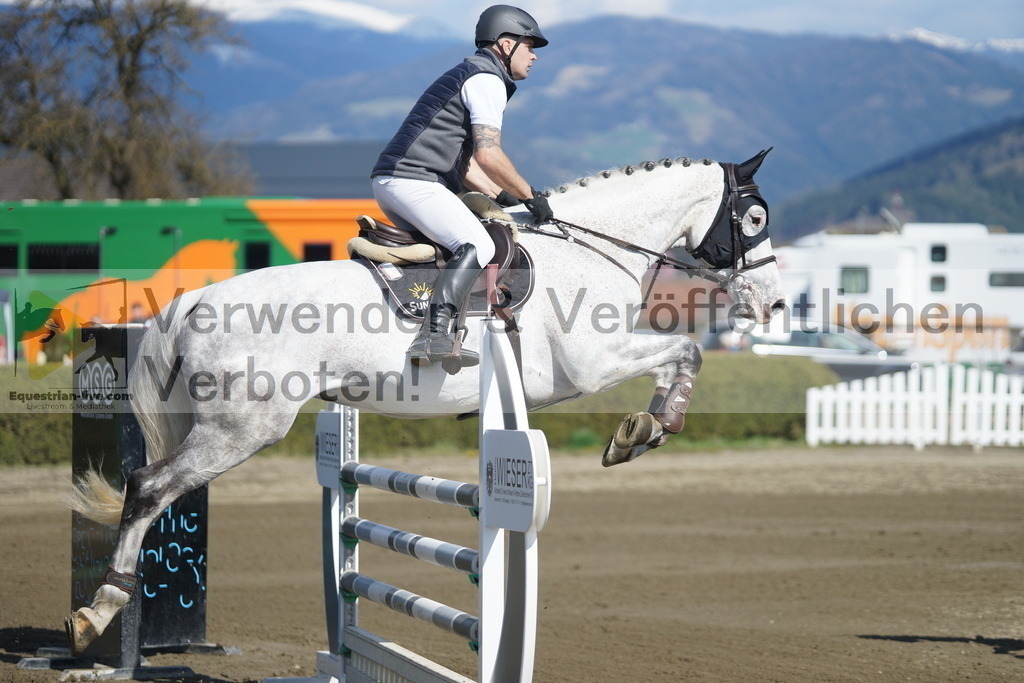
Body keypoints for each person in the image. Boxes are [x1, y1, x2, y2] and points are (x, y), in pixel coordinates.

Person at [371, 4, 554, 367]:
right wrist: (530, 196)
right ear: (506, 44)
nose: (534, 56)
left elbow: (465, 162)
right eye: (529, 46)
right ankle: (433, 335)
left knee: (455, 248)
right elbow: (489, 154)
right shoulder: (487, 79)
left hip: (397, 181)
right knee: (478, 245)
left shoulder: (472, 73)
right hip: (414, 181)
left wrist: (501, 195)